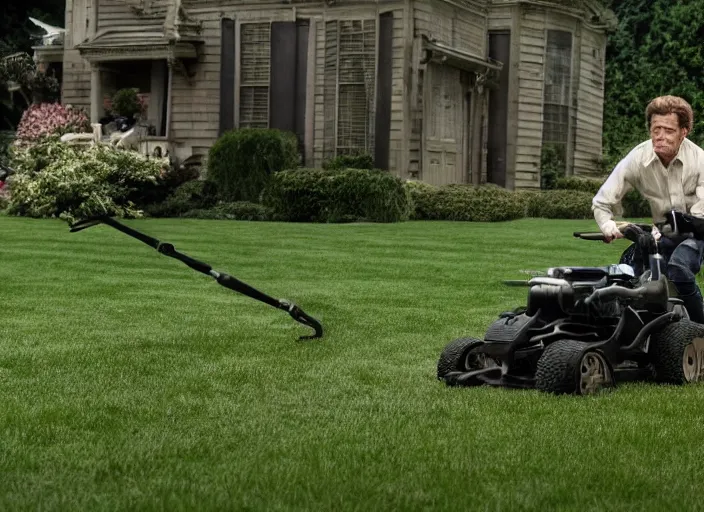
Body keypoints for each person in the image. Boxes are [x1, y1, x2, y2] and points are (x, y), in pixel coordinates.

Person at [592, 95, 704, 323]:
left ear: (685, 131)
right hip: (663, 230)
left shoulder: (700, 161)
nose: (660, 137)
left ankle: (700, 327)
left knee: (678, 268)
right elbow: (602, 202)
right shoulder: (638, 157)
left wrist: (660, 230)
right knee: (627, 271)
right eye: (656, 129)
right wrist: (608, 225)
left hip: (698, 231)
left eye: (668, 131)